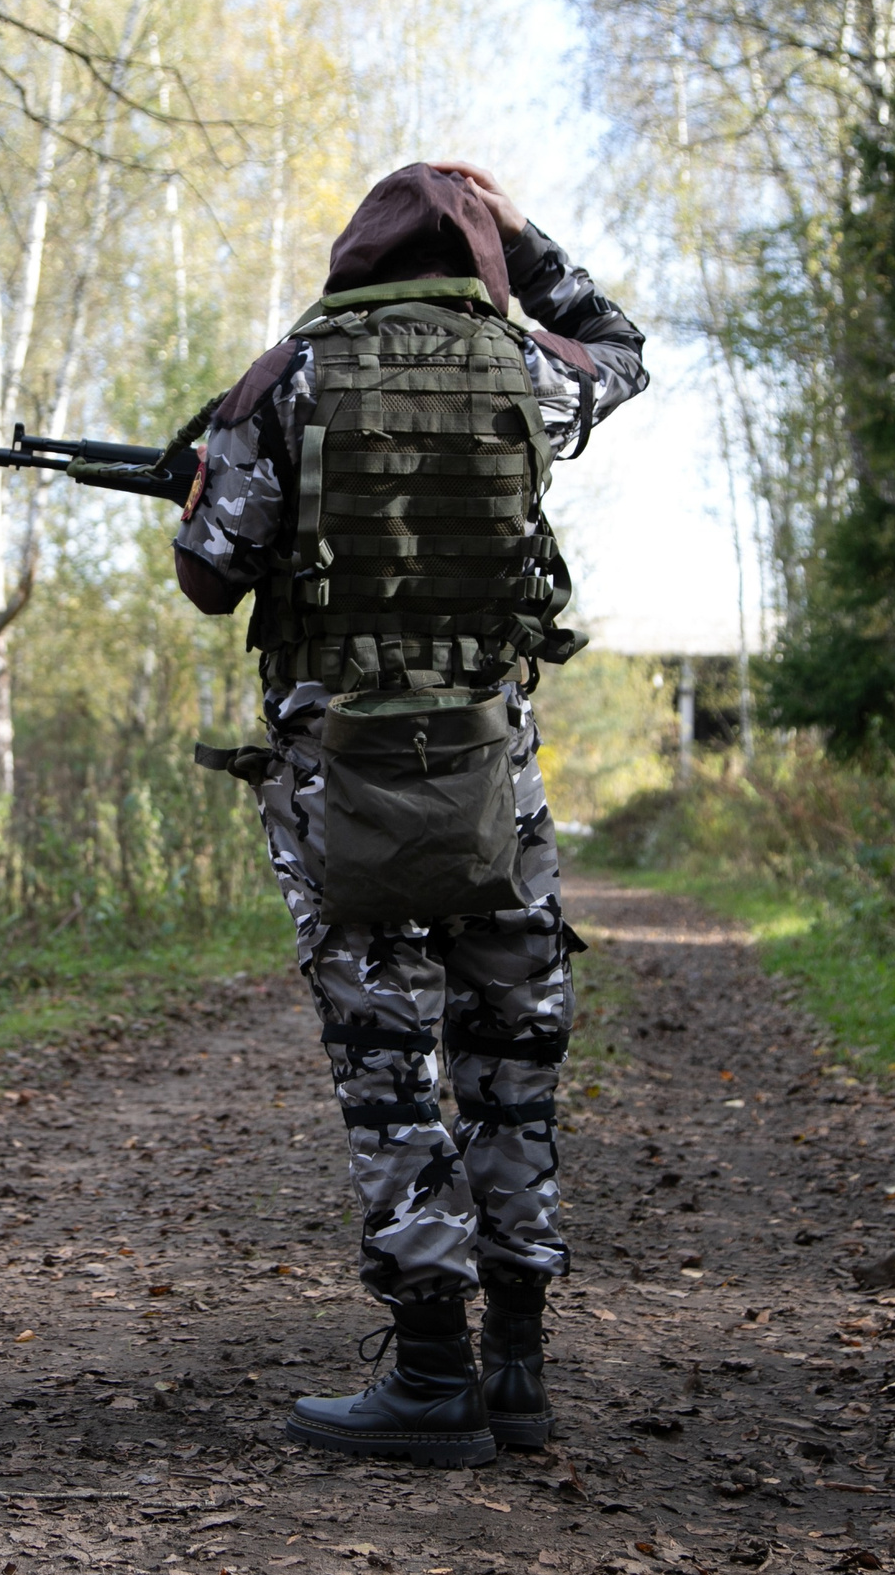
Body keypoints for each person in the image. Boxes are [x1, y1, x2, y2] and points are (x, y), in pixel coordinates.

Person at [173, 163, 647, 1465]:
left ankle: (432, 1371)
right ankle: (523, 1371)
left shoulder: (285, 378)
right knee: (513, 1056)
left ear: (353, 252)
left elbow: (211, 575)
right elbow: (623, 348)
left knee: (388, 1064)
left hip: (346, 770)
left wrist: (213, 489)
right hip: (497, 766)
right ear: (480, 253)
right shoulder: (530, 367)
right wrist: (520, 247)